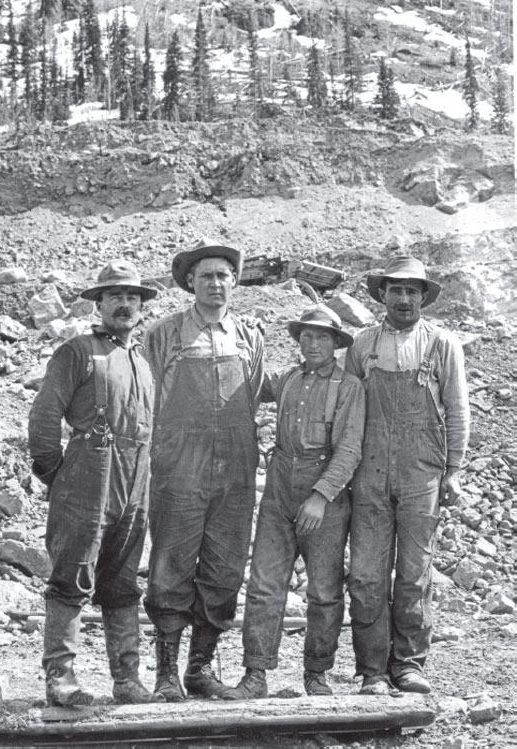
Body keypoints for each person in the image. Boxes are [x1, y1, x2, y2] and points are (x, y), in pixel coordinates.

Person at [28, 259, 158, 707]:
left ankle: (127, 680)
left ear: (142, 306)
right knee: (72, 575)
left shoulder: (142, 360)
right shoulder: (78, 351)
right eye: (115, 296)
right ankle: (60, 678)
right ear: (99, 303)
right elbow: (44, 417)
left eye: (133, 297)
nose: (125, 304)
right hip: (88, 472)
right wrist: (56, 475)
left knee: (122, 581)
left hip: (136, 475)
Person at [143, 237, 264, 701]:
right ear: (190, 282)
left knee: (225, 568)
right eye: (206, 275)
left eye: (223, 275)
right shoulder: (165, 333)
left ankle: (199, 668)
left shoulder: (250, 334)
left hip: (234, 469)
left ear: (234, 281)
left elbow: (249, 396)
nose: (215, 283)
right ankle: (166, 676)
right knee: (171, 565)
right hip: (179, 467)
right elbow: (149, 400)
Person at [226, 304, 365, 700]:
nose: (312, 343)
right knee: (265, 584)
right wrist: (249, 336)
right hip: (279, 487)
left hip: (324, 491)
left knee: (323, 590)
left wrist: (320, 497)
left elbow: (350, 450)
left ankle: (316, 674)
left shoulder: (349, 387)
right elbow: (246, 379)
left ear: (336, 343)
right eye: (306, 335)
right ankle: (255, 673)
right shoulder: (287, 379)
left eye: (321, 336)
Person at [345, 256, 470, 696]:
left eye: (411, 291)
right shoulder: (362, 345)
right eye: (395, 290)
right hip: (370, 470)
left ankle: (409, 664)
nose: (403, 298)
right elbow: (346, 413)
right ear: (382, 294)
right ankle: (372, 670)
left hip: (423, 473)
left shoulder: (442, 344)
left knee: (414, 572)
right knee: (365, 573)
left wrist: (453, 470)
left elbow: (456, 409)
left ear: (422, 297)